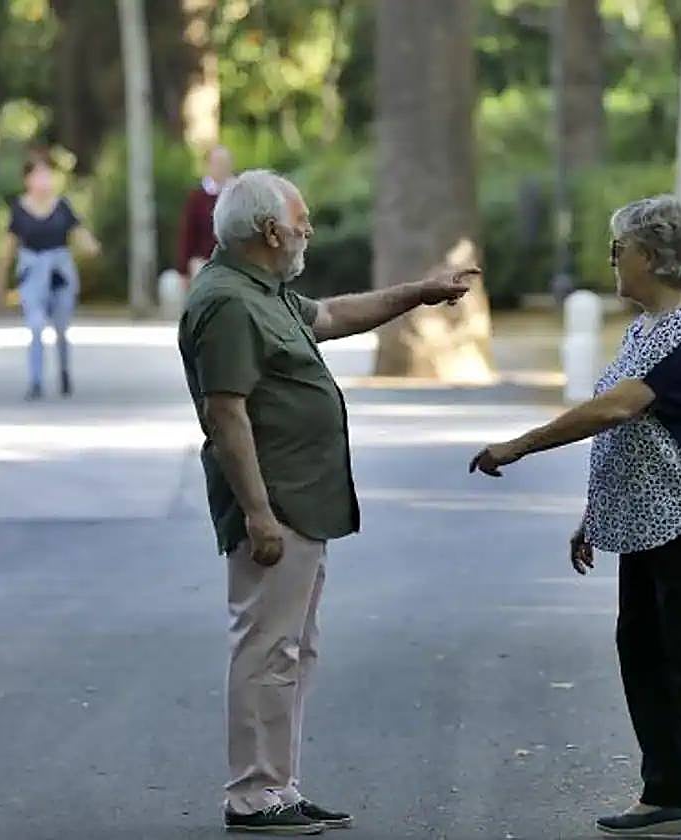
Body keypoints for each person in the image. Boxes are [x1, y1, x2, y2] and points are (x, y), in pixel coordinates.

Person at [178, 169, 476, 835]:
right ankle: (253, 796)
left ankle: (278, 786)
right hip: (275, 503)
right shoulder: (227, 302)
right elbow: (225, 414)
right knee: (265, 649)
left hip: (301, 501)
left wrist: (417, 294)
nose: (308, 229)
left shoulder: (265, 289)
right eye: (300, 219)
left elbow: (333, 315)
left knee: (291, 651)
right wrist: (257, 513)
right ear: (269, 231)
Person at [470, 196, 681, 840]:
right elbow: (630, 436)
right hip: (644, 519)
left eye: (620, 249)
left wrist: (517, 446)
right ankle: (665, 792)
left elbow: (611, 410)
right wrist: (595, 512)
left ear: (653, 258)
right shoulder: (647, 325)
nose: (612, 260)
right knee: (643, 652)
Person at [0, 150, 101, 400]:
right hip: (32, 270)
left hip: (60, 271)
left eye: (47, 174)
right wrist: (1, 276)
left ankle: (64, 372)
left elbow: (79, 233)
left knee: (62, 327)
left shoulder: (62, 207)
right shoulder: (19, 210)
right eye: (38, 175)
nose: (44, 180)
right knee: (35, 325)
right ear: (27, 179)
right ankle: (36, 380)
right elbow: (10, 245)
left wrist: (92, 248)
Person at [177, 145, 234, 283]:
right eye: (218, 163)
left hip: (232, 261)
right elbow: (188, 233)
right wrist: (183, 269)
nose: (222, 168)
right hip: (204, 260)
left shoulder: (237, 194)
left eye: (225, 164)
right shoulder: (197, 197)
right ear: (209, 165)